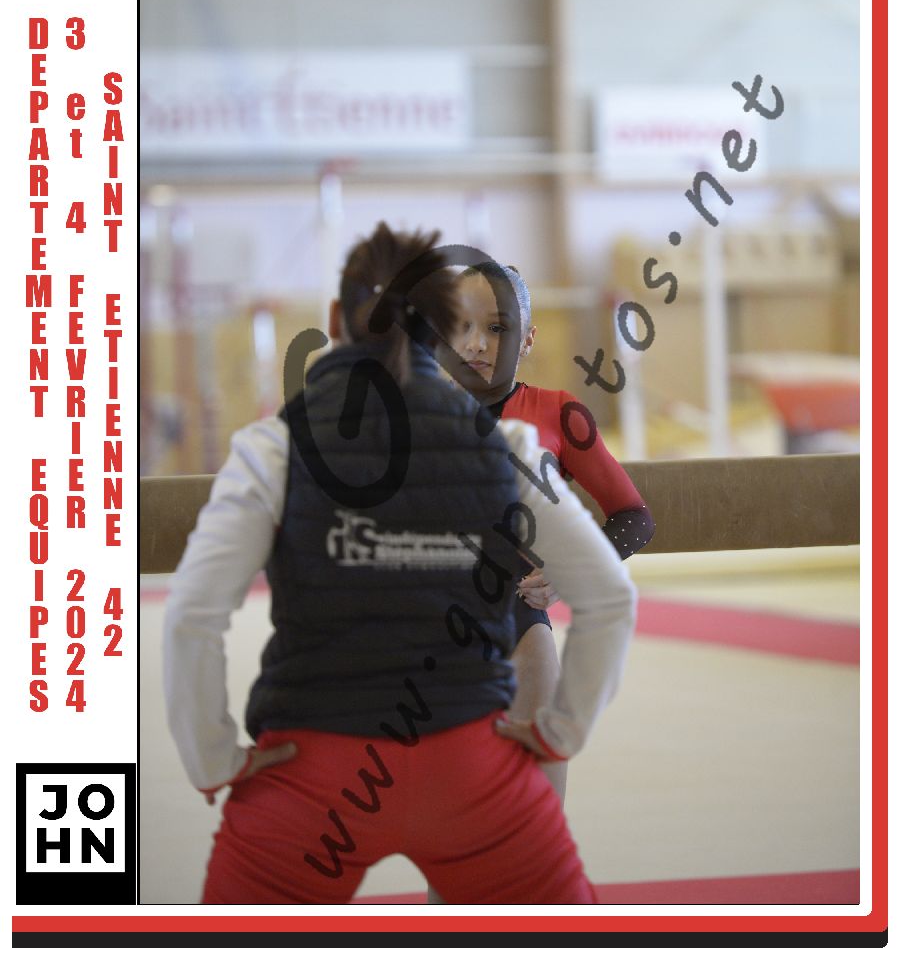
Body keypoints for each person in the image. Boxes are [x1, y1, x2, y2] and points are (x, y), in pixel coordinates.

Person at [163, 223, 637, 904]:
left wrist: (213, 759)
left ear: (335, 319)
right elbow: (611, 599)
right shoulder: (506, 443)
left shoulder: (274, 446)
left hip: (311, 770)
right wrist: (561, 732)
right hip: (470, 764)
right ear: (441, 329)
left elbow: (192, 613)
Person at [446, 261, 655, 805]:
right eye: (462, 325)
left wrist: (570, 570)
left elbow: (634, 517)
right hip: (428, 630)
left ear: (528, 338)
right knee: (443, 830)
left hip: (518, 625)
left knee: (537, 820)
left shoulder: (556, 412)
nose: (476, 343)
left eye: (497, 328)